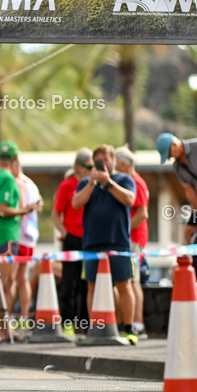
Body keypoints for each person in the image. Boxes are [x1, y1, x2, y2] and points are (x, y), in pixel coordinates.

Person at [72, 144, 137, 341]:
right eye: (99, 160)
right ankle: (96, 327)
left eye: (106, 160)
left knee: (123, 284)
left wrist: (108, 183)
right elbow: (76, 204)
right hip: (92, 242)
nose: (104, 164)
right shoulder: (85, 182)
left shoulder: (124, 179)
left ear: (113, 161)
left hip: (118, 241)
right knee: (92, 285)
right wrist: (92, 183)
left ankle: (128, 328)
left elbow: (130, 200)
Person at [0, 141, 40, 342]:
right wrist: (26, 210)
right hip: (6, 234)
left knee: (4, 283)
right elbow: (4, 208)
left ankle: (4, 329)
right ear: (14, 160)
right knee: (1, 282)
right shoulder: (7, 178)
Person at [158, 133, 197, 279]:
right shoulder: (177, 167)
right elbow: (190, 192)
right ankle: (192, 265)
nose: (171, 157)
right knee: (189, 230)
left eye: (169, 154)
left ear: (175, 144)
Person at [52, 149, 93, 331]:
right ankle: (67, 323)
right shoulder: (67, 185)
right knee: (69, 283)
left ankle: (84, 325)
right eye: (89, 166)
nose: (92, 170)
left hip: (89, 239)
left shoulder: (92, 184)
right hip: (72, 239)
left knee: (86, 284)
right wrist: (65, 232)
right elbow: (55, 213)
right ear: (78, 167)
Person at [115, 146, 150, 340]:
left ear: (123, 164)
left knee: (132, 281)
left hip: (134, 238)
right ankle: (133, 324)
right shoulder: (134, 181)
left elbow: (142, 213)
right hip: (131, 237)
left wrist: (123, 231)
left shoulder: (136, 182)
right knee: (129, 280)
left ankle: (137, 324)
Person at [11, 157, 42, 326]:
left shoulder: (18, 182)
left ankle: (10, 317)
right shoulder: (31, 183)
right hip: (30, 235)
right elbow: (38, 205)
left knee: (13, 278)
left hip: (20, 235)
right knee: (22, 278)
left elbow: (21, 210)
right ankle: (22, 316)